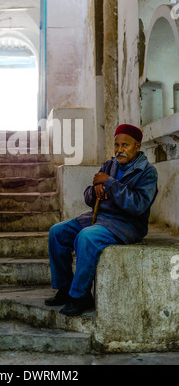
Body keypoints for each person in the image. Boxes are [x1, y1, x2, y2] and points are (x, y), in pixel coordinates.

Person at [45, 124, 158, 316]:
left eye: (125, 145)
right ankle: (65, 288)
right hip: (99, 217)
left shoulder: (147, 172)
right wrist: (94, 191)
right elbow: (89, 197)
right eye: (116, 145)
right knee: (57, 232)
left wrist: (109, 183)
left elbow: (138, 205)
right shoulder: (109, 165)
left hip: (126, 224)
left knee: (86, 237)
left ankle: (81, 296)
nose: (119, 150)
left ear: (137, 147)